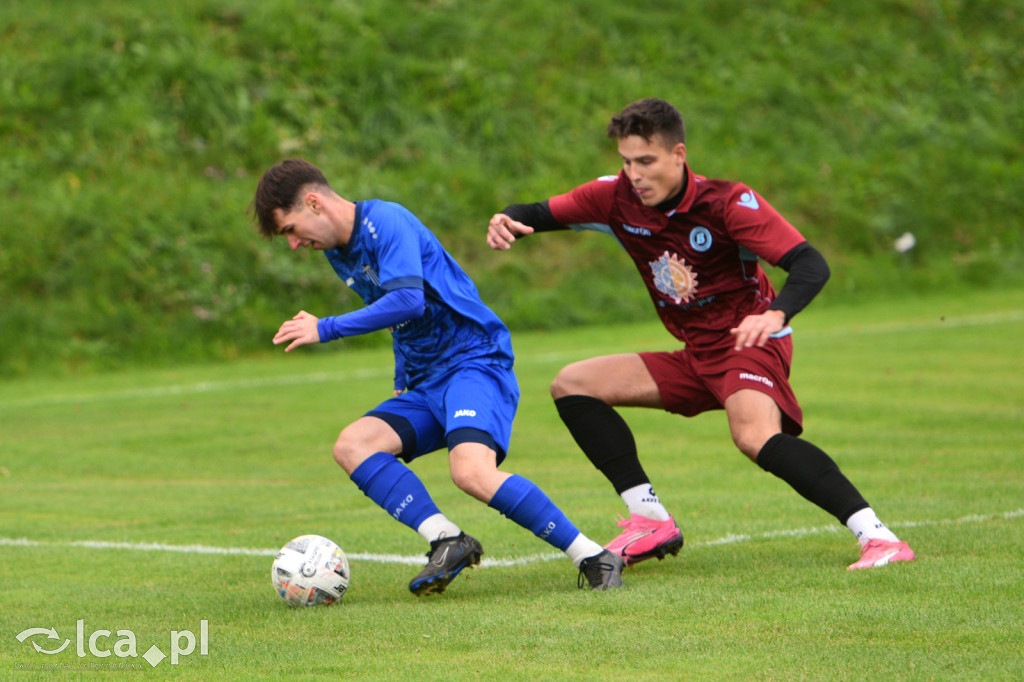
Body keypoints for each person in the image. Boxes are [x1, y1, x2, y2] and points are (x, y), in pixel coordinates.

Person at [486, 98, 915, 571]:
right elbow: (538, 213)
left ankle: (878, 537)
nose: (635, 174)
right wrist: (507, 220)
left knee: (753, 436)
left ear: (679, 155)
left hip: (746, 345)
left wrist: (775, 315)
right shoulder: (614, 198)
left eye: (646, 162)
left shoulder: (727, 203)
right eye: (627, 162)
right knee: (573, 383)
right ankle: (650, 520)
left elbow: (810, 264)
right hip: (695, 355)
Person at [250, 158, 624, 595]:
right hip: (427, 381)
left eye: (291, 229)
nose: (293, 244)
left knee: (470, 472)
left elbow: (408, 300)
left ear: (314, 203)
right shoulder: (338, 251)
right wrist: (402, 370)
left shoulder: (386, 222)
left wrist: (325, 327)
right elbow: (396, 315)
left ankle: (594, 557)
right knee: (353, 444)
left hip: (473, 363)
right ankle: (447, 539)